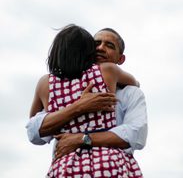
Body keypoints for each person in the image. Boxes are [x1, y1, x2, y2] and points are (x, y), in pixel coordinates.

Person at [28, 24, 145, 177]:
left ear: (120, 58)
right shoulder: (109, 72)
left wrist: (81, 138)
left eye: (109, 45)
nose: (100, 48)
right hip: (109, 165)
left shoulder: (48, 85)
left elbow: (135, 135)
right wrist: (79, 106)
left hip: (67, 168)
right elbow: (33, 131)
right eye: (96, 44)